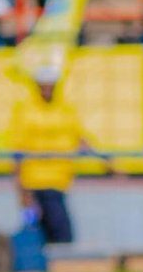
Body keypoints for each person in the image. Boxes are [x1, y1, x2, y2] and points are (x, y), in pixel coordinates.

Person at [8, 64, 104, 247]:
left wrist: (106, 162)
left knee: (60, 236)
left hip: (58, 183)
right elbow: (18, 152)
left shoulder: (64, 109)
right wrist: (21, 190)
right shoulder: (26, 111)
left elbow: (80, 138)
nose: (47, 89)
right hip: (33, 184)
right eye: (44, 85)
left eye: (50, 85)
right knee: (39, 233)